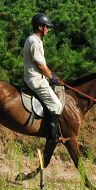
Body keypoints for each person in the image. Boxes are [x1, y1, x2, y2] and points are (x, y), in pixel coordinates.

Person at [23, 13, 68, 143]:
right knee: (56, 105)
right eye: (47, 26)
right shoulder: (34, 41)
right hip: (36, 79)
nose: (48, 29)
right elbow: (40, 64)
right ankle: (53, 137)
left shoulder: (33, 40)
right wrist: (51, 77)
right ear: (40, 27)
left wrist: (51, 75)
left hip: (33, 77)